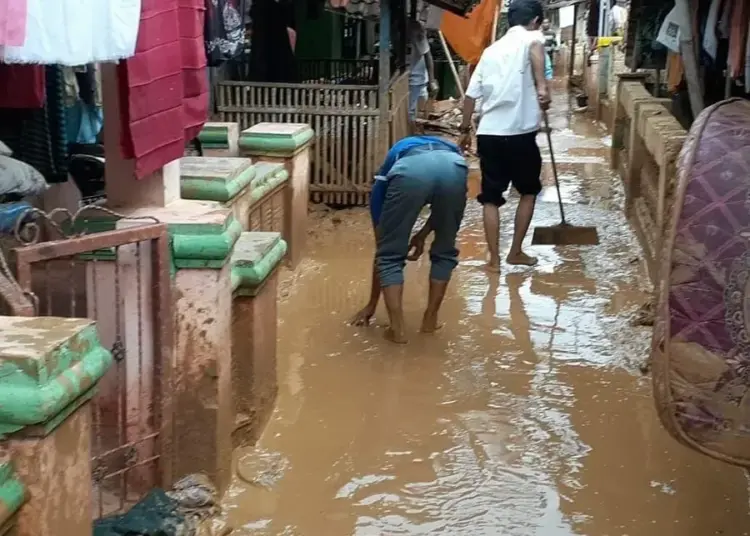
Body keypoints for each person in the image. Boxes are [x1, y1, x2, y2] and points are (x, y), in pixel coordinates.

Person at [458, 0, 550, 271]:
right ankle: (516, 252)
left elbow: (470, 96)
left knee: (490, 197)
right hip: (520, 134)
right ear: (535, 21)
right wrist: (542, 87)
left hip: (489, 134)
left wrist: (465, 130)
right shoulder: (533, 38)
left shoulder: (490, 51)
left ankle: (494, 260)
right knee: (529, 192)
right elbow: (535, 47)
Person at [350, 135, 468, 343]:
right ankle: (430, 320)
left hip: (412, 172)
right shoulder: (449, 149)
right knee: (444, 251)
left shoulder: (386, 172)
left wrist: (371, 305)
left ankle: (397, 329)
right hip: (454, 168)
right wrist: (423, 234)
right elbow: (442, 216)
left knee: (388, 256)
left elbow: (383, 251)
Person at [407, 20, 438, 131]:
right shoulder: (408, 31)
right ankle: (416, 132)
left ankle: (417, 133)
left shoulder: (415, 32)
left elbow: (428, 56)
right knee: (413, 112)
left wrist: (432, 80)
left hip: (416, 78)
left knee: (413, 112)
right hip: (414, 78)